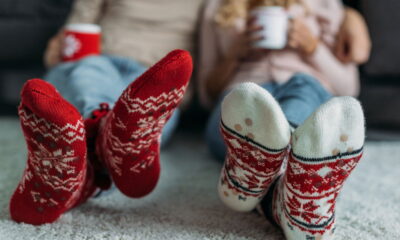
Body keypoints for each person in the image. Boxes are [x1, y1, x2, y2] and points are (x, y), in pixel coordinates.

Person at [9, 0, 204, 225]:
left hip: (155, 73)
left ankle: (85, 173)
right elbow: (75, 29)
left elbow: (213, 62)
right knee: (94, 78)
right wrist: (58, 48)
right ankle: (108, 132)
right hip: (99, 59)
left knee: (153, 106)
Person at [197, 0, 371, 239]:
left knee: (303, 95)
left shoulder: (325, 5)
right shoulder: (216, 6)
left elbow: (348, 87)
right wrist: (234, 56)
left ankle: (260, 163)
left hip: (304, 83)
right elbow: (206, 93)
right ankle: (293, 187)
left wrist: (312, 48)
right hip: (245, 90)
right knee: (240, 104)